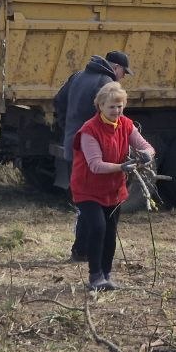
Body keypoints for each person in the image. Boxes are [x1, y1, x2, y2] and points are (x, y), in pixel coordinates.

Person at [71, 83, 154, 291]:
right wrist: (121, 166)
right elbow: (95, 165)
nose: (116, 111)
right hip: (87, 188)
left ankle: (106, 274)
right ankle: (95, 276)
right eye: (112, 107)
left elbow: (146, 146)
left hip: (113, 189)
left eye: (120, 106)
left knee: (110, 231)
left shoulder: (126, 124)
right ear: (100, 106)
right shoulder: (89, 130)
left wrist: (147, 154)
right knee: (98, 228)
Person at [55, 50, 133, 262]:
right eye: (123, 72)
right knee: (94, 203)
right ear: (115, 67)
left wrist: (68, 129)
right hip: (93, 154)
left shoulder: (77, 76)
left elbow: (58, 102)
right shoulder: (106, 82)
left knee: (84, 202)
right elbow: (111, 121)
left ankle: (81, 249)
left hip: (74, 147)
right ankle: (83, 250)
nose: (122, 77)